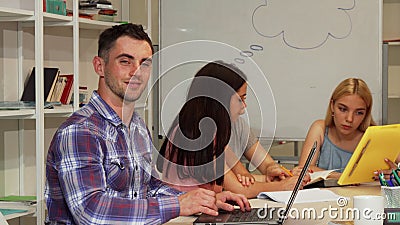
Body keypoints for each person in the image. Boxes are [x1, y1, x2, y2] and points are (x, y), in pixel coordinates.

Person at [44, 24, 250, 225]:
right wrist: (177, 205)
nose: (137, 72)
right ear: (100, 66)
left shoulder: (137, 127)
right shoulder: (80, 131)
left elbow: (149, 186)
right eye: (125, 61)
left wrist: (203, 200)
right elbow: (91, 212)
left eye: (145, 63)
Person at [157, 61, 309, 199]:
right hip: (183, 217)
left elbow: (241, 176)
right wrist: (282, 186)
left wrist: (273, 177)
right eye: (240, 99)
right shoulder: (199, 135)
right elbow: (239, 189)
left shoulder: (209, 130)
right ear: (220, 99)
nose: (244, 107)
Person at [297, 78, 376, 178]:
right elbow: (303, 170)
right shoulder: (320, 129)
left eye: (359, 112)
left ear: (366, 114)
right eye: (343, 109)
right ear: (332, 106)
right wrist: (341, 177)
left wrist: (394, 172)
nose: (349, 119)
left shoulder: (374, 136)